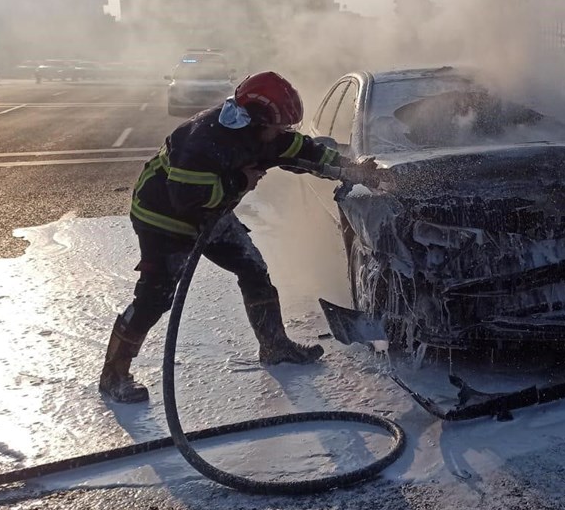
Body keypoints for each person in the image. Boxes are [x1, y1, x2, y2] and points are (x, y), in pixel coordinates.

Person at [100, 71, 379, 403]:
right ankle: (114, 376)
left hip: (213, 213)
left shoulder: (261, 133)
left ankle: (274, 346)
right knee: (155, 298)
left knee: (253, 269)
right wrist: (239, 182)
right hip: (164, 218)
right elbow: (184, 196)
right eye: (277, 127)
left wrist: (351, 168)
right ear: (257, 120)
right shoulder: (203, 140)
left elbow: (303, 152)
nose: (281, 134)